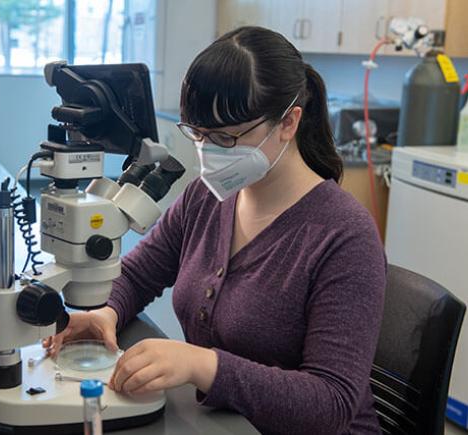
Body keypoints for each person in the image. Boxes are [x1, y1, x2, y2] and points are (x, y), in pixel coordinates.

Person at [43, 26, 385, 435]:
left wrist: (203, 365)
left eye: (225, 137)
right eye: (200, 134)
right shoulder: (207, 198)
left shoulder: (344, 235)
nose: (209, 152)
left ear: (289, 122)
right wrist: (106, 312)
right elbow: (138, 273)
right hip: (222, 422)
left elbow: (331, 403)